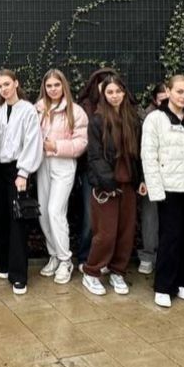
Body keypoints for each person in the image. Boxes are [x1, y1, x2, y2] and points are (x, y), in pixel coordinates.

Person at [142, 74, 184, 308]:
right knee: (170, 237)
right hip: (169, 188)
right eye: (179, 91)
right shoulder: (155, 119)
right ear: (168, 91)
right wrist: (156, 190)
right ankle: (163, 286)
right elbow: (148, 156)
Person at [82, 74, 145, 296]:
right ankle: (91, 272)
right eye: (110, 92)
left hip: (129, 184)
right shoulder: (97, 121)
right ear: (104, 94)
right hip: (106, 187)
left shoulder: (133, 120)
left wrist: (141, 179)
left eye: (118, 91)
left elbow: (139, 153)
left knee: (126, 233)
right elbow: (95, 156)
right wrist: (109, 183)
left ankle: (117, 271)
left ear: (124, 93)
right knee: (105, 234)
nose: (114, 95)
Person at [0, 69, 43, 295]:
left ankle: (19, 275)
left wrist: (24, 173)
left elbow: (33, 142)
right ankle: (3, 264)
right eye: (0, 86)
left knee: (17, 220)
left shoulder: (28, 110)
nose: (3, 89)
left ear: (16, 83)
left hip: (16, 170)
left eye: (7, 84)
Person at [35, 69, 88, 285]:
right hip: (42, 165)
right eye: (49, 86)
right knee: (43, 213)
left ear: (63, 86)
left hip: (63, 164)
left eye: (57, 85)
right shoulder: (38, 109)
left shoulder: (75, 111)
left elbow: (81, 143)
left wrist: (56, 146)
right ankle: (54, 256)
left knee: (55, 211)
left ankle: (66, 260)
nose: (53, 89)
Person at [74, 68, 118, 263]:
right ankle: (85, 257)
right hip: (90, 170)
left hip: (117, 170)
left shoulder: (122, 107)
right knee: (90, 217)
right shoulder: (86, 107)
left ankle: (108, 259)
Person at [137, 83, 168, 277]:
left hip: (173, 174)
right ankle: (148, 255)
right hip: (151, 173)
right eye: (162, 99)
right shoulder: (146, 117)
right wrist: (143, 178)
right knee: (150, 217)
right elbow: (142, 150)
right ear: (155, 100)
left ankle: (165, 256)